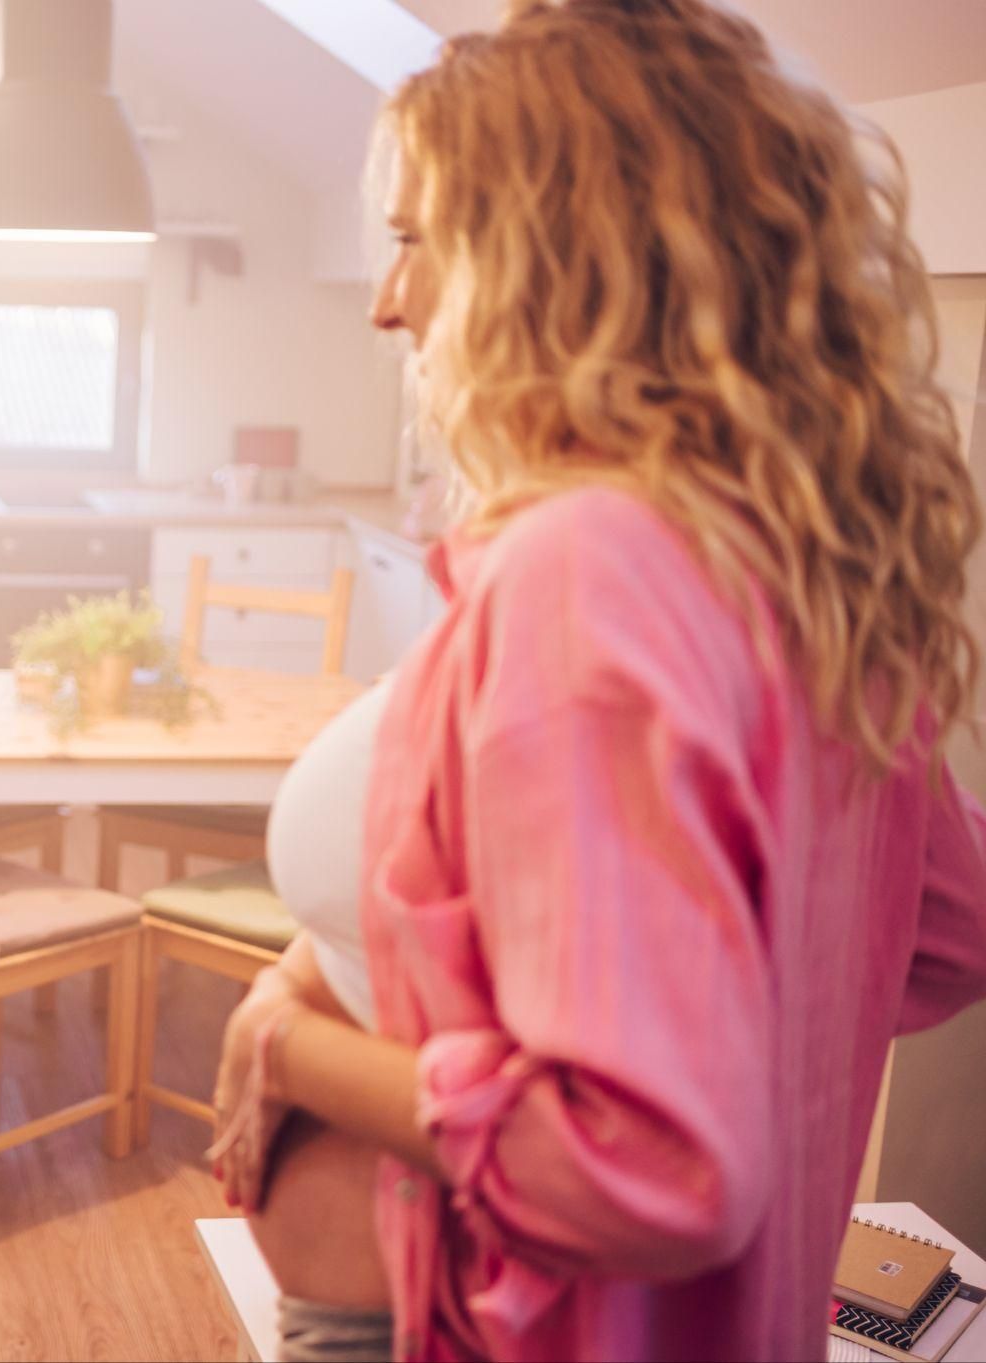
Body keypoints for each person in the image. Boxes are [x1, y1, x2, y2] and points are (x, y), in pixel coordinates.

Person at [211, 1, 986, 1358]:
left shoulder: (588, 569)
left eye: (414, 242)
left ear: (556, 253)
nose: (393, 303)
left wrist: (290, 1045)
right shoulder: (794, 567)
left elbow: (658, 1165)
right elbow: (955, 924)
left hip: (491, 1319)